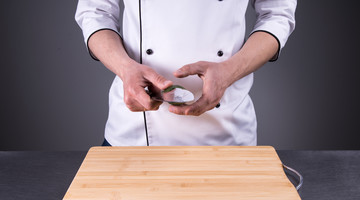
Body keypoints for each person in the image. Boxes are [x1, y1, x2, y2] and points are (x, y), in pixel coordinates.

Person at [75, 0, 296, 146]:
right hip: (134, 134)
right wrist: (125, 68)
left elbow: (277, 14)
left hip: (226, 133)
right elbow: (95, 12)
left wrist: (229, 71)